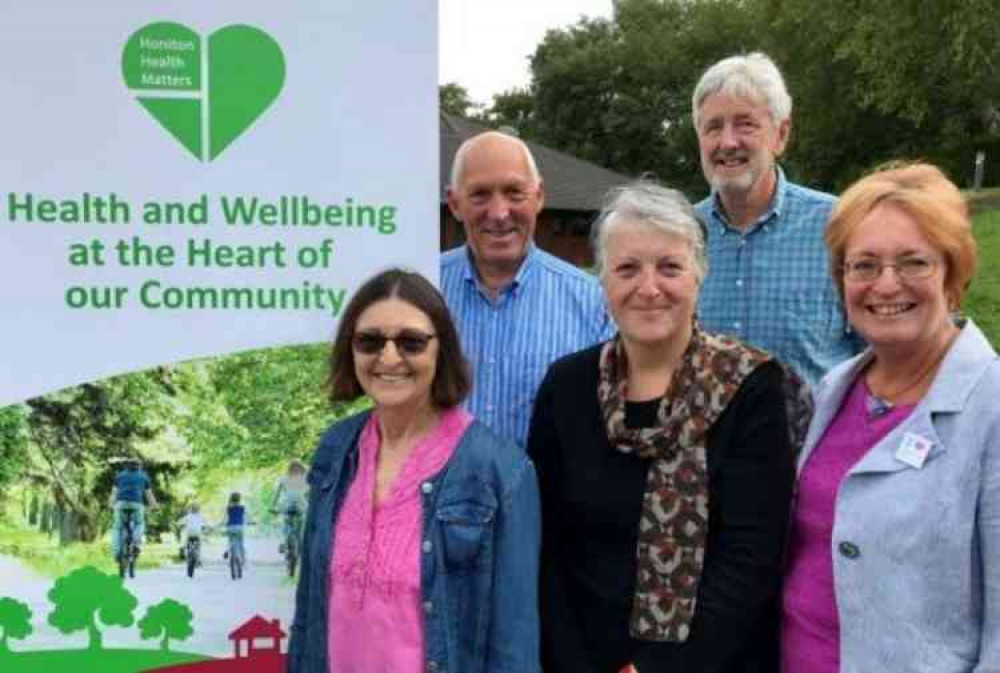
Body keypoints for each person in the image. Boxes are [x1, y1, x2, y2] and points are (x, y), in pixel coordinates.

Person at [527, 181, 799, 672]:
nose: (649, 287)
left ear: (699, 274)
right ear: (603, 280)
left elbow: (750, 559)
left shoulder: (751, 388)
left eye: (669, 267)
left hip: (715, 661)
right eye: (627, 268)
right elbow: (546, 546)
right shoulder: (565, 387)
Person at [781, 163, 998, 673]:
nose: (886, 284)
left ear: (953, 271)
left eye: (913, 262)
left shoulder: (989, 408)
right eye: (863, 265)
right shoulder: (837, 388)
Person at [287, 268, 540, 673]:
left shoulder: (500, 471)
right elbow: (308, 611)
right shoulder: (336, 449)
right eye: (369, 341)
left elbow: (514, 647)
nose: (389, 358)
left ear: (442, 350)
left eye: (411, 342)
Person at [691, 52, 863, 386]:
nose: (727, 142)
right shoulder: (680, 235)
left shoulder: (841, 227)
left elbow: (881, 354)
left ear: (781, 135)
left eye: (745, 124)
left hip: (814, 439)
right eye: (713, 127)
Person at [441, 130, 615, 447]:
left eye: (514, 193)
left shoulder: (594, 302)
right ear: (454, 203)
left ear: (539, 196)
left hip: (546, 495)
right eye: (479, 194)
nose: (498, 213)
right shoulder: (421, 290)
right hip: (436, 495)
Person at [109, 457, 158, 559]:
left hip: (121, 504)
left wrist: (111, 505)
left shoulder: (119, 476)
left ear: (127, 466)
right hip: (137, 504)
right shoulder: (144, 477)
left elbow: (114, 494)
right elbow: (149, 495)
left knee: (118, 528)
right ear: (139, 466)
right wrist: (154, 506)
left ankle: (117, 553)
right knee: (139, 523)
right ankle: (136, 543)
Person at [271, 459, 308, 552]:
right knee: (300, 530)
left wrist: (273, 506)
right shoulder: (305, 479)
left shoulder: (283, 478)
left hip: (286, 505)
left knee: (286, 522)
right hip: (301, 505)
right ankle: (300, 550)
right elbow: (309, 493)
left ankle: (286, 541)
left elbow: (277, 494)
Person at [223, 492, 248, 566]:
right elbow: (248, 516)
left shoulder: (228, 508)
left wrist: (222, 523)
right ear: (239, 499)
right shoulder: (242, 507)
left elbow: (225, 519)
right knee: (241, 544)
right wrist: (252, 522)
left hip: (230, 528)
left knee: (230, 542)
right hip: (239, 528)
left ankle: (229, 558)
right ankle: (243, 560)